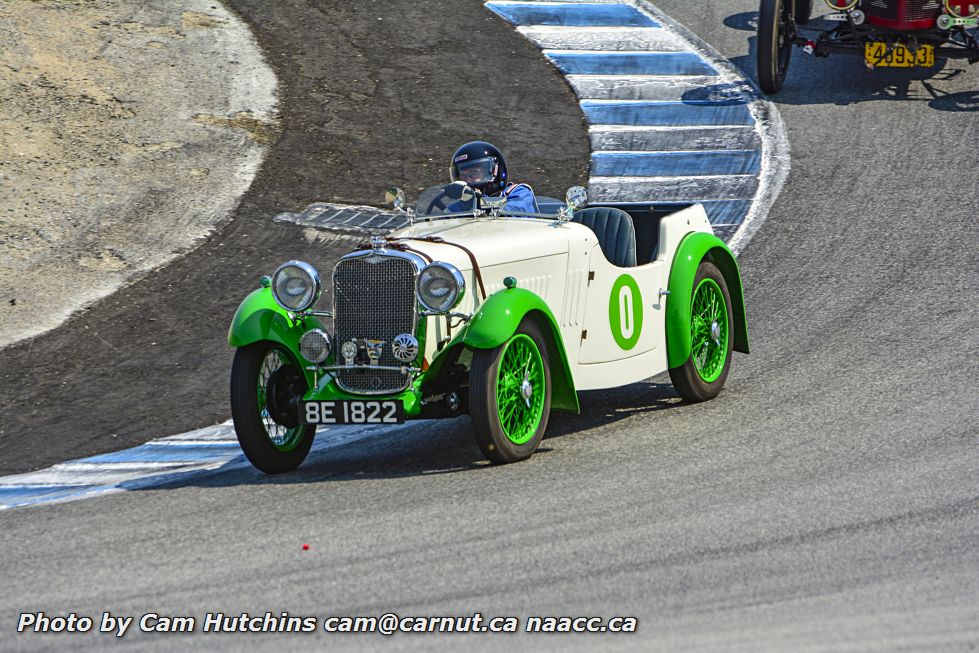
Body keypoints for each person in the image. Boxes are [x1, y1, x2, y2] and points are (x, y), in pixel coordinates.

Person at [448, 141, 539, 214]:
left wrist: (479, 202)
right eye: (463, 176)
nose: (467, 180)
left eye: (474, 174)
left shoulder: (519, 192)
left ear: (495, 171)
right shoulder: (459, 206)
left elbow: (514, 213)